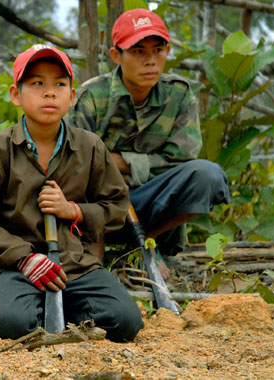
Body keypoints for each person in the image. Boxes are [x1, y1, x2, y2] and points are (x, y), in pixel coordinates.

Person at [0, 44, 144, 342]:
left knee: (125, 321)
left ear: (72, 97)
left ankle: (63, 309)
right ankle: (36, 308)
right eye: (37, 83)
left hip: (76, 266)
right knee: (13, 326)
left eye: (60, 84)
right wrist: (23, 258)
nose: (49, 92)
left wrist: (75, 210)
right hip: (18, 268)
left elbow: (117, 206)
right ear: (15, 95)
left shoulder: (90, 147)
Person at [69, 9, 230, 275]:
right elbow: (77, 164)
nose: (151, 61)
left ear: (167, 51)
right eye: (138, 52)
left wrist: (121, 162)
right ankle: (93, 255)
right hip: (101, 206)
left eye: (158, 50)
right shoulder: (92, 97)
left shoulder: (178, 94)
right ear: (116, 56)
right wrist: (109, 174)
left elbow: (182, 160)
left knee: (208, 175)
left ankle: (144, 243)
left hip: (154, 201)